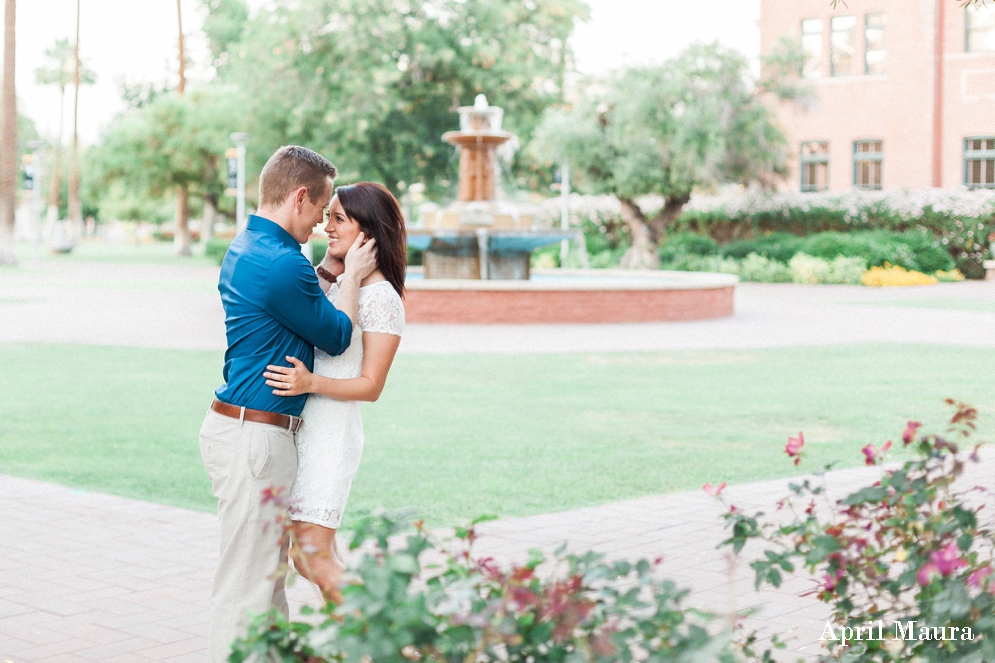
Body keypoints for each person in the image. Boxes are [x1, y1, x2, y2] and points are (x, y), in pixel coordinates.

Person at [198, 146, 378, 663]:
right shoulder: (282, 264)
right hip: (256, 437)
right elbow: (338, 334)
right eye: (322, 211)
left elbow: (302, 307)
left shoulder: (247, 246)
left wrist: (327, 273)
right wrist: (349, 276)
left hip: (239, 429)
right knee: (248, 589)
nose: (322, 224)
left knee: (264, 585)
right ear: (300, 196)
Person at [262, 182, 406, 599]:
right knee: (318, 556)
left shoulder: (381, 297)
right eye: (328, 216)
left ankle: (400, 633)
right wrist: (338, 266)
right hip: (303, 434)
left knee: (311, 558)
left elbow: (371, 385)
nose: (327, 226)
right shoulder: (344, 285)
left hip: (331, 437)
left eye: (339, 218)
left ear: (369, 231)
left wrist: (310, 383)